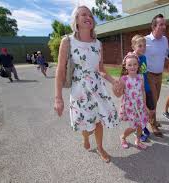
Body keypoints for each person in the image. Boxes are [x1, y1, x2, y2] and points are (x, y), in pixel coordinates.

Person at [54, 5, 121, 163]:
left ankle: (100, 147)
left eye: (90, 15)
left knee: (98, 120)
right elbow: (60, 71)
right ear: (76, 20)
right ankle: (85, 137)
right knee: (86, 124)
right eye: (83, 14)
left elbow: (101, 69)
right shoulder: (68, 41)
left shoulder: (98, 44)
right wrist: (58, 97)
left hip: (98, 88)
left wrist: (113, 81)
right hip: (80, 91)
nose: (88, 17)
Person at [145, 14, 169, 137]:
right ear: (154, 26)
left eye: (165, 24)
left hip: (159, 75)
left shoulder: (165, 40)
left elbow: (166, 57)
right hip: (148, 75)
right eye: (161, 24)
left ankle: (150, 118)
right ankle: (153, 124)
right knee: (153, 101)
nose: (164, 27)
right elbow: (136, 54)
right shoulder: (145, 40)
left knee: (155, 99)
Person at [117, 52, 148, 149]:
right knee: (133, 126)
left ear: (138, 65)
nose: (132, 67)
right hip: (129, 106)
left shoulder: (141, 77)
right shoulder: (123, 79)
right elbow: (119, 93)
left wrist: (145, 105)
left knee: (140, 125)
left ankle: (138, 141)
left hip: (140, 105)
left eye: (135, 64)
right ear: (125, 66)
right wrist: (117, 88)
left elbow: (143, 91)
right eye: (129, 65)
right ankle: (123, 137)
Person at [131, 35, 154, 142]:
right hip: (137, 91)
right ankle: (141, 130)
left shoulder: (144, 57)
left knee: (151, 110)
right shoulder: (131, 59)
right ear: (133, 46)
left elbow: (144, 73)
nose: (143, 48)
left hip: (146, 88)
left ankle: (143, 128)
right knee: (141, 111)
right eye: (140, 46)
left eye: (144, 46)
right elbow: (126, 74)